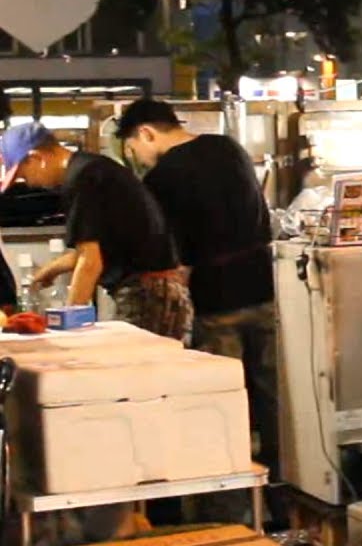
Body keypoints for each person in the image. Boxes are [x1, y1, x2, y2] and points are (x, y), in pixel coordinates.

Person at [114, 98, 278, 522]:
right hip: (266, 294)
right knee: (274, 406)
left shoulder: (162, 178)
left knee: (221, 412)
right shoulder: (229, 147)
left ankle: (229, 514)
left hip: (215, 305)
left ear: (145, 134)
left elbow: (174, 255)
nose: (137, 158)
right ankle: (280, 499)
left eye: (133, 148)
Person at [0, 122, 192, 342]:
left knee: (138, 372)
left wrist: (67, 331)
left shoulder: (82, 179)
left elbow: (90, 262)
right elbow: (100, 246)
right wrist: (51, 269)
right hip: (160, 290)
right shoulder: (92, 169)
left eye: (24, 175)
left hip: (149, 294)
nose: (30, 184)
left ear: (37, 158)